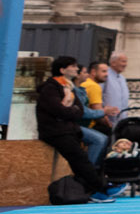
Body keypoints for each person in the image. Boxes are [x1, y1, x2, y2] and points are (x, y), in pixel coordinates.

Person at [36, 57, 124, 202]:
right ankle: (99, 189)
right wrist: (71, 110)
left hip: (68, 129)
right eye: (73, 66)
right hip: (55, 131)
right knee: (80, 159)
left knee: (81, 160)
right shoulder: (51, 88)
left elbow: (79, 110)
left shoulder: (69, 87)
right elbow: (61, 111)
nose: (77, 69)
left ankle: (92, 188)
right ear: (62, 70)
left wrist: (70, 109)